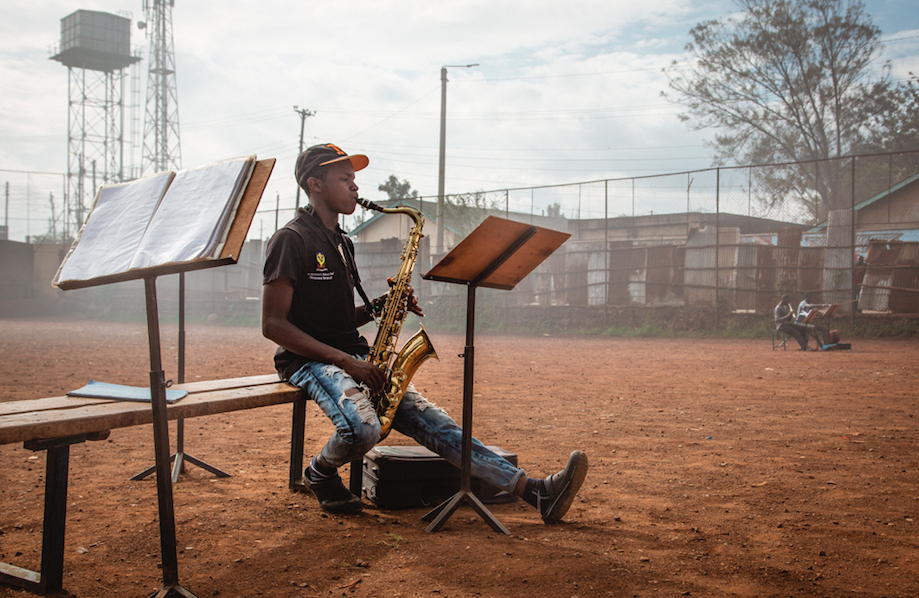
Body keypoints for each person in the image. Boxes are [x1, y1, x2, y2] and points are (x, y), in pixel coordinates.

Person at [261, 143, 588, 522]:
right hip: (307, 361)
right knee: (364, 429)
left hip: (350, 354)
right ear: (315, 183)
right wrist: (346, 361)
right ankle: (320, 472)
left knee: (435, 422)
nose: (354, 186)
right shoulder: (291, 239)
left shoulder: (342, 242)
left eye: (354, 179)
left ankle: (533, 491)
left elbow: (333, 319)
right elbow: (274, 325)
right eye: (345, 178)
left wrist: (382, 306)